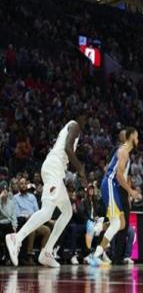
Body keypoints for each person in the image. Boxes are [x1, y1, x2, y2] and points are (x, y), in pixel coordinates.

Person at [6, 115, 88, 268]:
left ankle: (47, 252)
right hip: (53, 169)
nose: (87, 122)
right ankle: (16, 238)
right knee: (47, 212)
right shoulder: (75, 125)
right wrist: (81, 170)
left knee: (67, 212)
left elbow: (67, 151)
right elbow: (68, 149)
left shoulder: (72, 130)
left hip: (56, 170)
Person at [88, 127, 140, 266]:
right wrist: (131, 191)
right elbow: (118, 175)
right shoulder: (123, 151)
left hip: (113, 186)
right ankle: (95, 254)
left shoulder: (125, 152)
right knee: (117, 223)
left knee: (121, 224)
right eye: (136, 137)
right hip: (110, 184)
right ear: (131, 137)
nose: (138, 140)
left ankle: (98, 228)